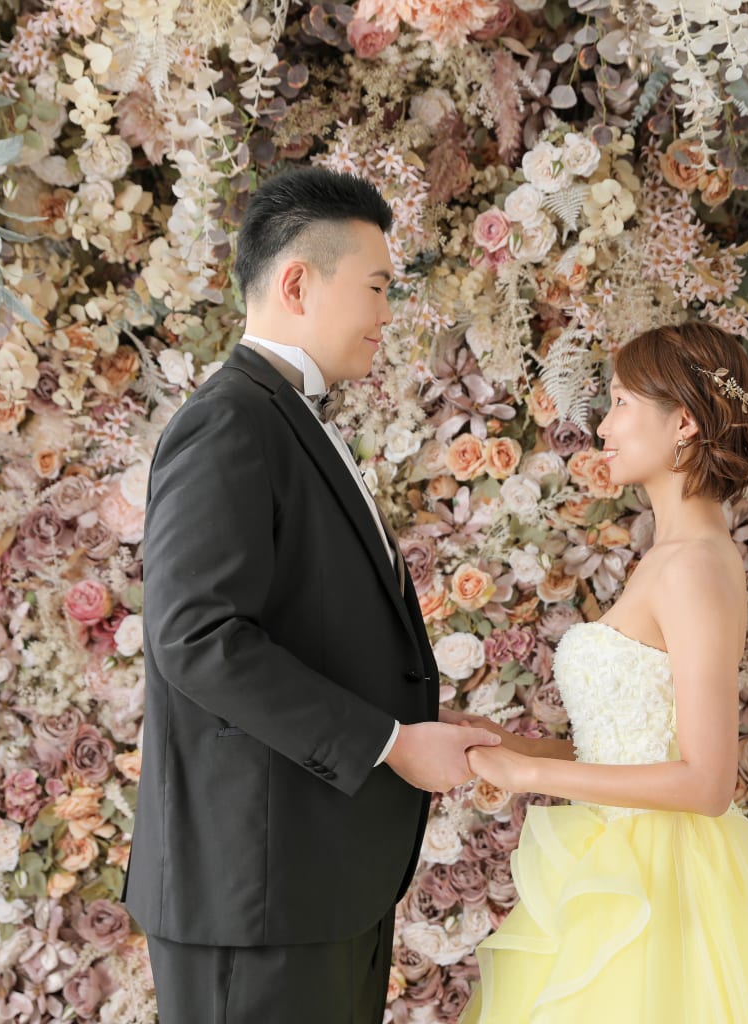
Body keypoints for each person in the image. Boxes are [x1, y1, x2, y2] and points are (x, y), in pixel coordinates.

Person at [123, 167, 499, 1024]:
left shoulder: (285, 417)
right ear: (297, 283)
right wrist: (390, 743)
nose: (387, 314)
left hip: (312, 886)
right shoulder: (230, 420)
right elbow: (195, 637)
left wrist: (417, 727)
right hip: (256, 896)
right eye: (377, 287)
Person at [459, 322, 748, 1022]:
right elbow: (630, 748)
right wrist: (509, 747)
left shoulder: (695, 564)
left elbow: (706, 783)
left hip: (669, 884)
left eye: (621, 402)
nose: (603, 426)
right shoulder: (670, 558)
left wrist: (528, 775)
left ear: (685, 422)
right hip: (618, 865)